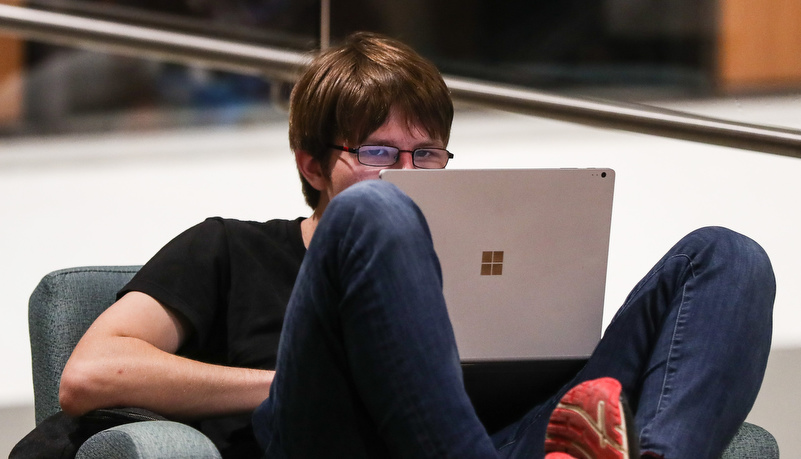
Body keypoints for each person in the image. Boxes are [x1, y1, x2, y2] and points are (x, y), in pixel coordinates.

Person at [59, 32, 776, 459]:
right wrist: (273, 382)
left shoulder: (473, 245)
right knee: (377, 217)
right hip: (321, 440)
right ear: (312, 163)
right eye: (378, 150)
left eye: (426, 155)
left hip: (495, 437)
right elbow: (91, 373)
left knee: (726, 256)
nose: (406, 176)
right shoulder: (229, 250)